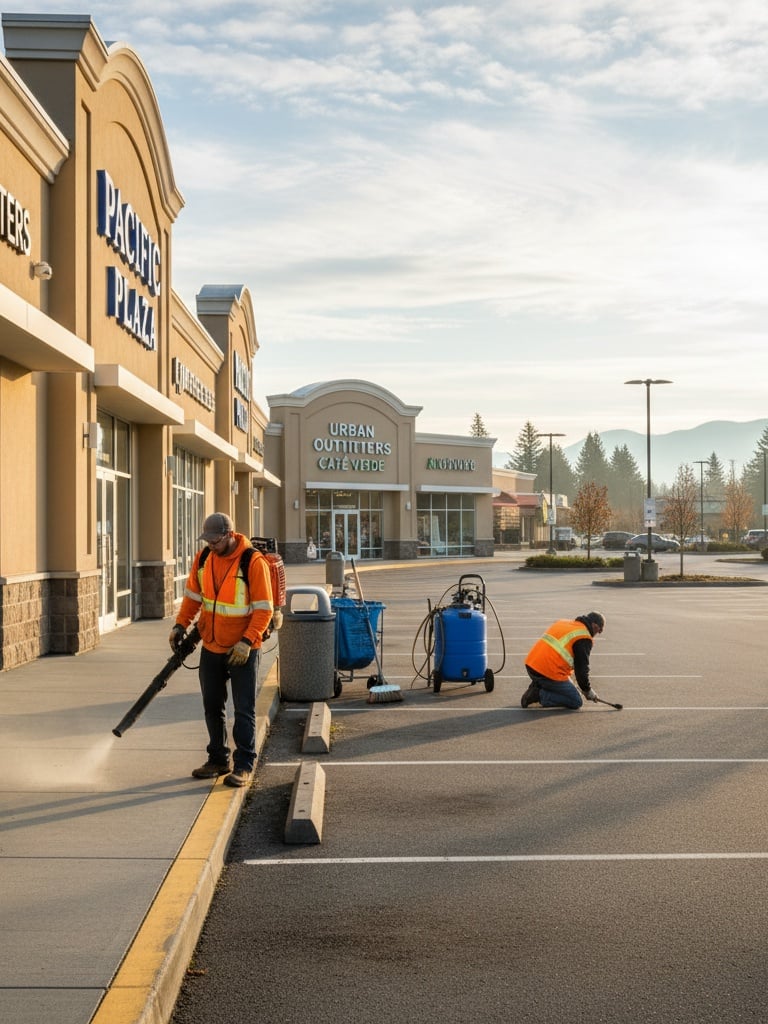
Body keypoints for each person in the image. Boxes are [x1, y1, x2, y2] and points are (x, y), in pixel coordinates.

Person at [170, 512, 273, 787]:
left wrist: (247, 641)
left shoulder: (252, 562)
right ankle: (218, 759)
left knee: (243, 709)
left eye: (215, 541)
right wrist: (180, 625)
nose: (211, 545)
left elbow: (264, 609)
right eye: (208, 541)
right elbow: (193, 597)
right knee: (212, 706)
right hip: (212, 645)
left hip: (242, 649)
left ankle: (244, 765)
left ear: (229, 535)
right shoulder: (204, 558)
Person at [521, 611, 605, 710]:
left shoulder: (564, 623)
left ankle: (539, 686)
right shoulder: (584, 637)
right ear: (595, 625)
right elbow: (581, 669)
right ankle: (539, 696)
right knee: (576, 700)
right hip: (547, 672)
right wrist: (587, 690)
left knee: (570, 687)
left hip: (532, 665)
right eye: (599, 631)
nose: (598, 633)